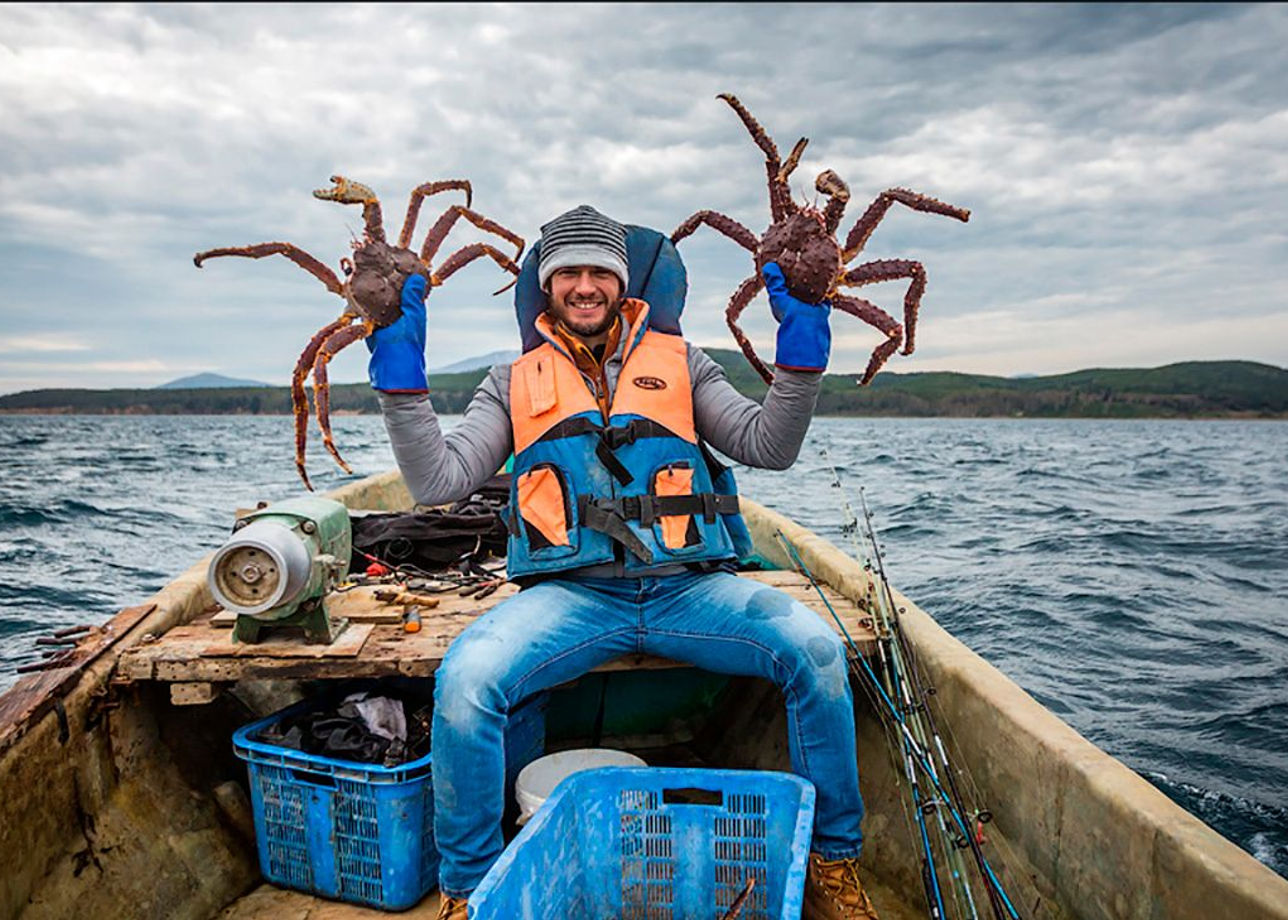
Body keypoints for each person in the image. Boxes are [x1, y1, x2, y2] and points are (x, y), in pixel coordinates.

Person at [368, 205, 879, 920]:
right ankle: (471, 887)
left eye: (598, 272)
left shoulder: (682, 362)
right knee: (467, 682)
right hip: (573, 599)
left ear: (623, 281)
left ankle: (832, 856)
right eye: (567, 273)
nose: (583, 286)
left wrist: (801, 351)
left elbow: (770, 446)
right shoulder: (510, 379)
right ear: (545, 288)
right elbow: (439, 484)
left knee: (817, 653)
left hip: (690, 593)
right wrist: (400, 379)